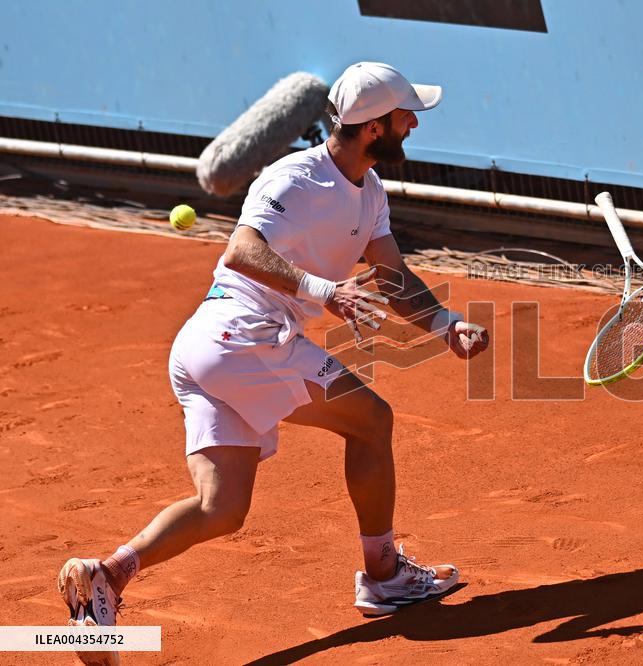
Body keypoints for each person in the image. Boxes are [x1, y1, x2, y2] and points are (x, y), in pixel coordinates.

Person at [57, 61, 490, 659]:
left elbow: (391, 274)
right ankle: (384, 573)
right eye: (404, 115)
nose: (414, 123)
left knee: (221, 509)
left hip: (213, 348)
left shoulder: (370, 191)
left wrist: (446, 324)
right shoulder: (294, 178)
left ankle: (106, 577)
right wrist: (322, 291)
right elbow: (241, 249)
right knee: (371, 420)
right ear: (372, 128)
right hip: (245, 336)